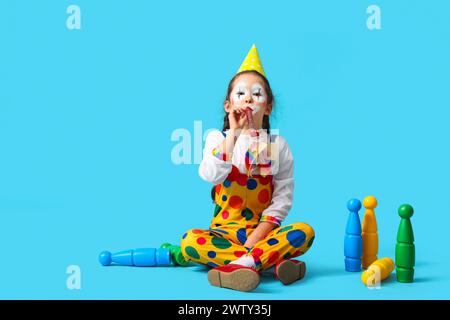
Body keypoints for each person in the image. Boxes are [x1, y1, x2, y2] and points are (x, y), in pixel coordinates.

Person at [180, 45, 315, 292]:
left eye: (257, 94)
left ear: (269, 107)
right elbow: (210, 175)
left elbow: (283, 198)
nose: (249, 99)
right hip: (223, 235)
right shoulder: (215, 139)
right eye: (241, 93)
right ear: (228, 106)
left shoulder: (278, 145)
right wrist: (234, 135)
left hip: (262, 233)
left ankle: (241, 265)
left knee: (304, 232)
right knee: (189, 242)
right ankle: (271, 263)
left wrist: (256, 238)